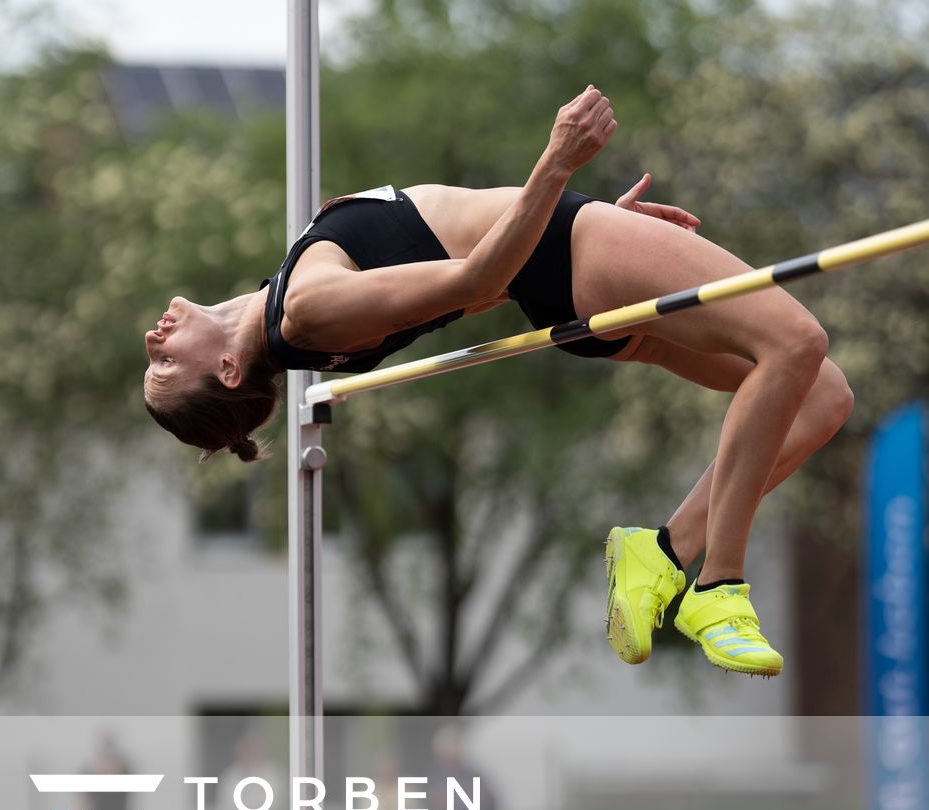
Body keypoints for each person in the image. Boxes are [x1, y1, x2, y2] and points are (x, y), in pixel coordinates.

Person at [144, 85, 854, 678]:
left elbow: (466, 283)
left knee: (821, 395)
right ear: (231, 371)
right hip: (569, 254)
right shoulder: (307, 309)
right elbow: (475, 276)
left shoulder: (289, 306)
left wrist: (617, 237)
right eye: (166, 365)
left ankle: (660, 553)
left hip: (572, 266)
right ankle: (718, 585)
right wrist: (559, 164)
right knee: (795, 343)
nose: (154, 340)